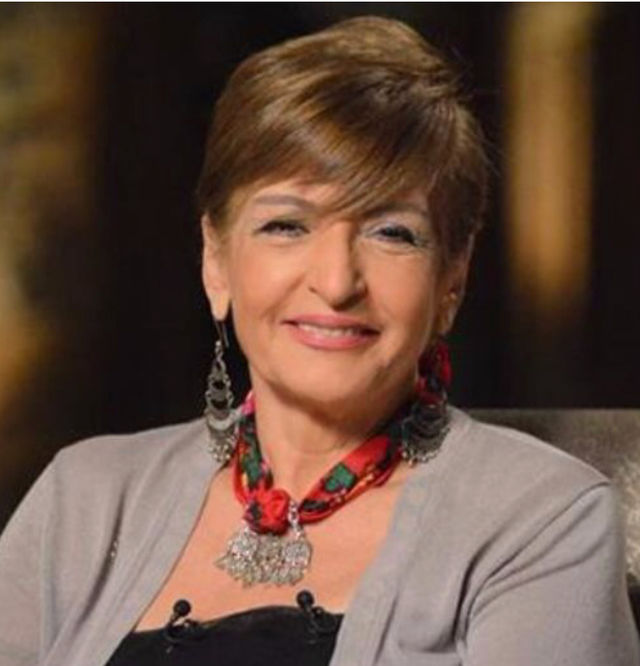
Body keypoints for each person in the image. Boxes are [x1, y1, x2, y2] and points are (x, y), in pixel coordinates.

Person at [0, 15, 637, 666]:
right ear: (216, 260)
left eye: (392, 233)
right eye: (286, 226)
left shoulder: (541, 523)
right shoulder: (80, 501)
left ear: (452, 279)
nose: (336, 283)